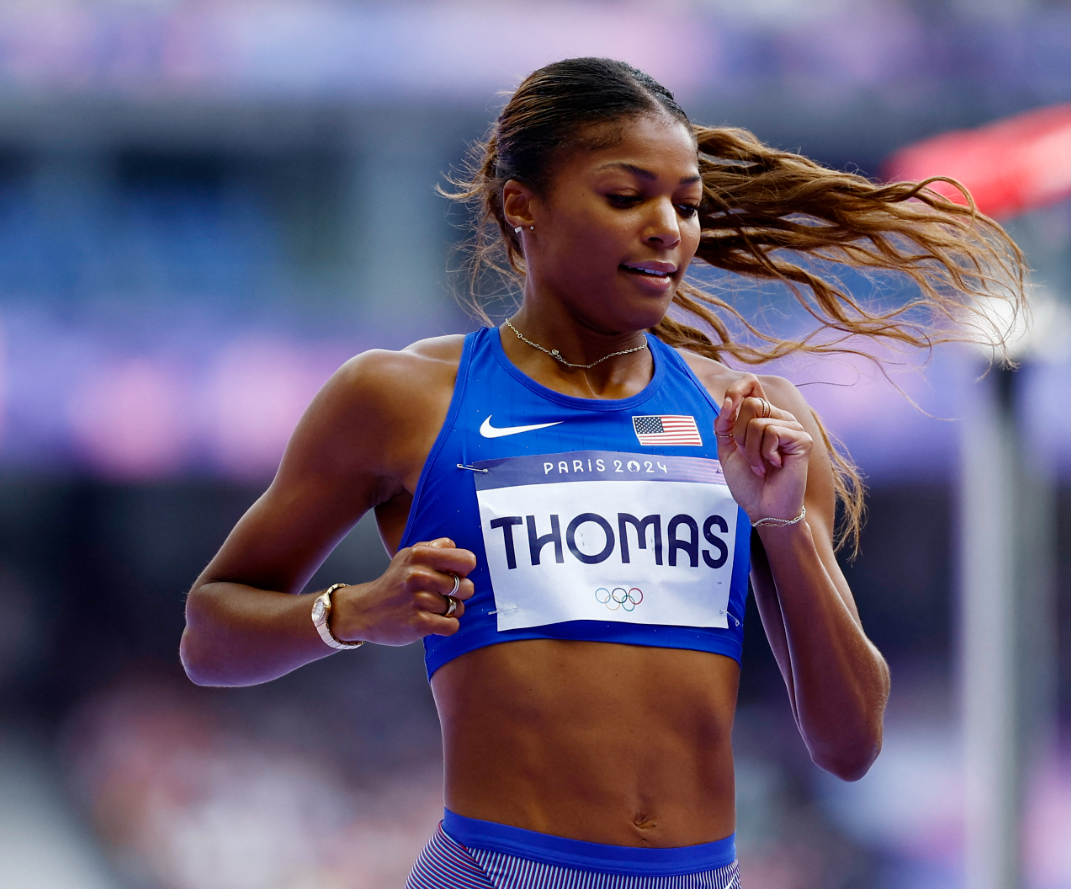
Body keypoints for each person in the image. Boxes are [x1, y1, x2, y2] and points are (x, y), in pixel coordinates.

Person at [180, 57, 1024, 888]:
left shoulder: (752, 421)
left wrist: (783, 525)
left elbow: (850, 746)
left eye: (686, 205)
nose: (668, 227)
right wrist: (356, 610)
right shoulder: (401, 397)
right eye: (627, 197)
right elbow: (209, 637)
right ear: (523, 206)